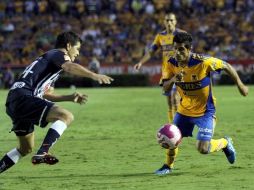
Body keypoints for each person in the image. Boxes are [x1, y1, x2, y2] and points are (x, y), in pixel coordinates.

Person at [0, 31, 113, 174]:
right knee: (66, 116)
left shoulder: (49, 62)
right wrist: (94, 75)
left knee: (25, 148)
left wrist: (69, 97)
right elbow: (70, 67)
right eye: (77, 49)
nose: (78, 53)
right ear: (68, 45)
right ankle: (44, 151)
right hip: (25, 97)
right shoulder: (58, 54)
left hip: (15, 100)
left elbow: (47, 94)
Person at [157, 32, 248, 175]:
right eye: (175, 48)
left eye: (181, 49)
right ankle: (167, 166)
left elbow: (226, 66)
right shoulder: (170, 63)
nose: (177, 53)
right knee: (171, 136)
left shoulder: (203, 62)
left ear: (189, 49)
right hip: (184, 111)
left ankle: (225, 143)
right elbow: (165, 88)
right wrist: (175, 78)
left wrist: (240, 85)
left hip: (205, 112)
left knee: (203, 149)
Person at [133, 13, 184, 174]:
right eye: (167, 20)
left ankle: (175, 126)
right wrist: (141, 62)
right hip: (166, 74)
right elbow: (152, 51)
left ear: (176, 21)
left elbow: (187, 53)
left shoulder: (181, 35)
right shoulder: (160, 36)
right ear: (164, 22)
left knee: (175, 98)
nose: (169, 22)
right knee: (169, 101)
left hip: (178, 71)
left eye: (171, 20)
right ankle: (174, 123)